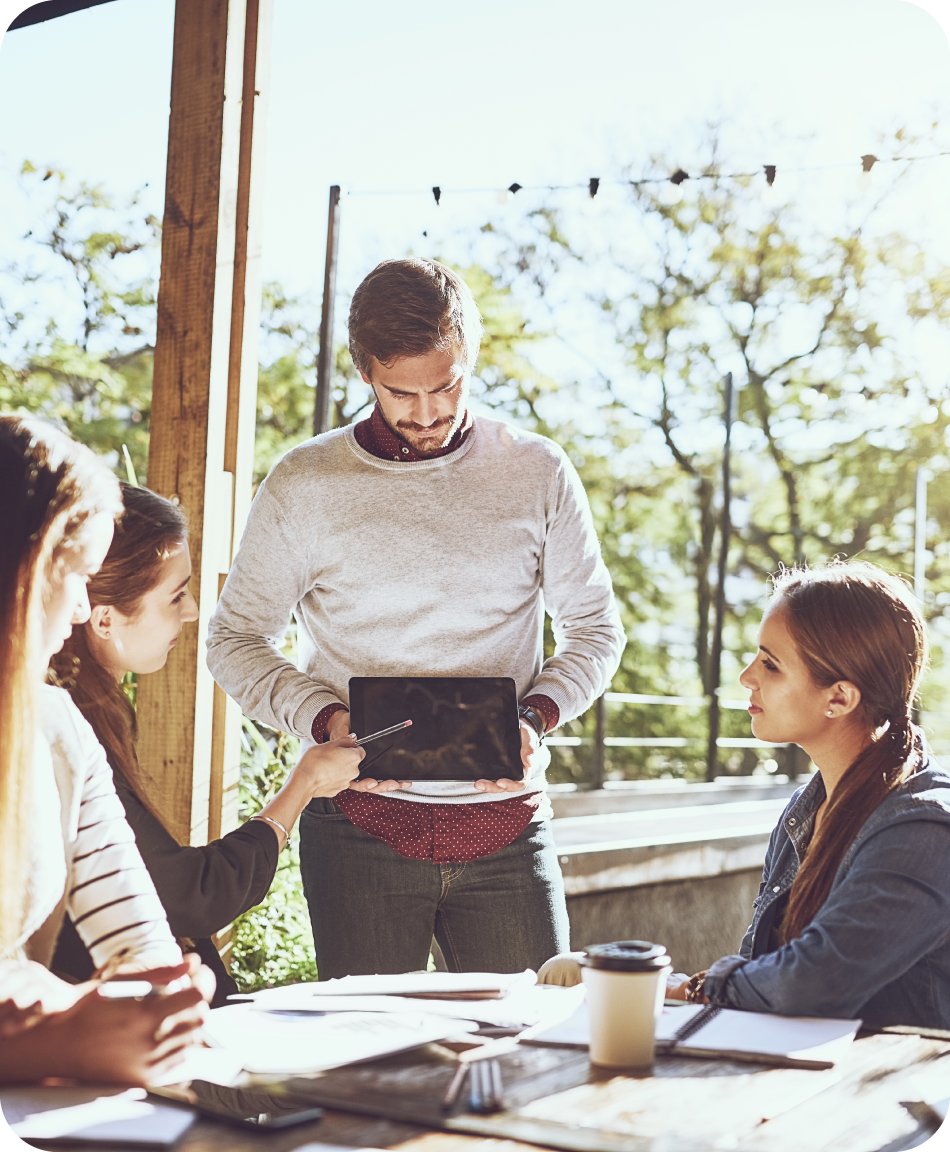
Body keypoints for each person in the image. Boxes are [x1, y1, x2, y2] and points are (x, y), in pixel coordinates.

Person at [207, 258, 625, 978]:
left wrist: (535, 718)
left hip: (509, 828)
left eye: (448, 384)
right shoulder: (304, 483)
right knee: (370, 1071)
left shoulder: (539, 471)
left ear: (472, 357)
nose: (428, 413)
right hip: (355, 829)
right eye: (402, 392)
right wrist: (322, 719)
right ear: (365, 371)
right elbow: (234, 640)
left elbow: (596, 630)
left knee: (534, 1051)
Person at [539, 562, 950, 1031]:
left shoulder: (923, 828)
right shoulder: (806, 810)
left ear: (839, 699)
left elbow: (809, 983)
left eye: (771, 665)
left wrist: (671, 988)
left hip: (891, 1095)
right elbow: (768, 974)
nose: (746, 676)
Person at [49, 483, 365, 1004]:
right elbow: (187, 897)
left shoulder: (95, 706)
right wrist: (302, 785)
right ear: (102, 616)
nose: (193, 610)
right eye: (176, 595)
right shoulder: (66, 722)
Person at [0, 412, 206, 1083]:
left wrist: (169, 1001)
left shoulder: (61, 731)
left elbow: (141, 946)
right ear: (20, 570)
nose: (86, 612)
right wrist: (52, 1040)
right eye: (78, 574)